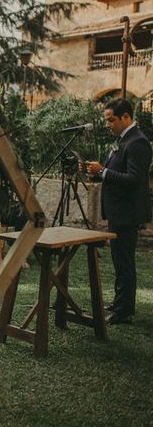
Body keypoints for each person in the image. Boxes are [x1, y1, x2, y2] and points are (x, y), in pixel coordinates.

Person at [85, 98, 152, 325]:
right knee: (118, 259)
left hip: (127, 213)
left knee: (124, 261)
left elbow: (134, 179)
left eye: (111, 120)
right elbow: (116, 172)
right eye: (106, 120)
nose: (107, 124)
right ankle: (119, 301)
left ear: (126, 117)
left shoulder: (138, 142)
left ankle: (124, 311)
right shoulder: (124, 140)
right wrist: (97, 172)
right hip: (118, 212)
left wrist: (102, 171)